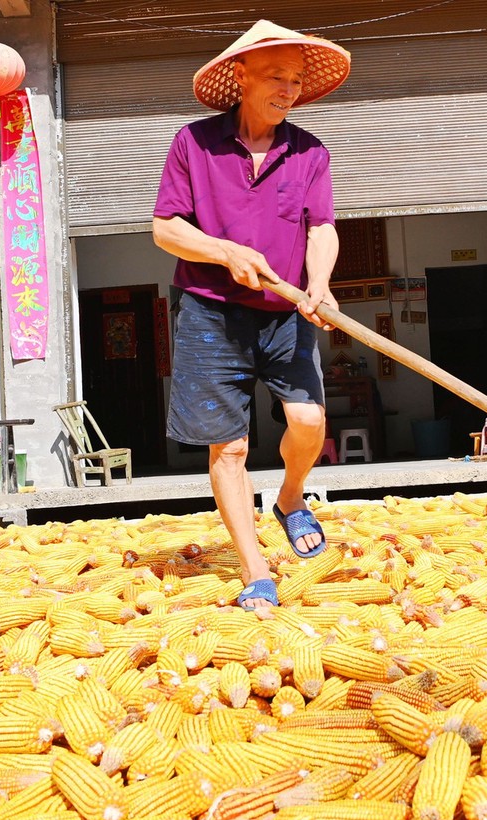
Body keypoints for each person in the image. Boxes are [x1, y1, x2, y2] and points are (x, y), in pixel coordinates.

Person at [152, 20, 351, 609]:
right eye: (274, 76)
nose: (287, 89)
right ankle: (254, 569)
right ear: (240, 77)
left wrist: (318, 285)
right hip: (211, 315)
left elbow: (323, 228)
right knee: (230, 448)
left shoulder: (310, 151)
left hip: (285, 310)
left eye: (295, 79)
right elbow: (166, 228)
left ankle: (290, 498)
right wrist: (225, 252)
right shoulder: (194, 143)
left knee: (309, 420)